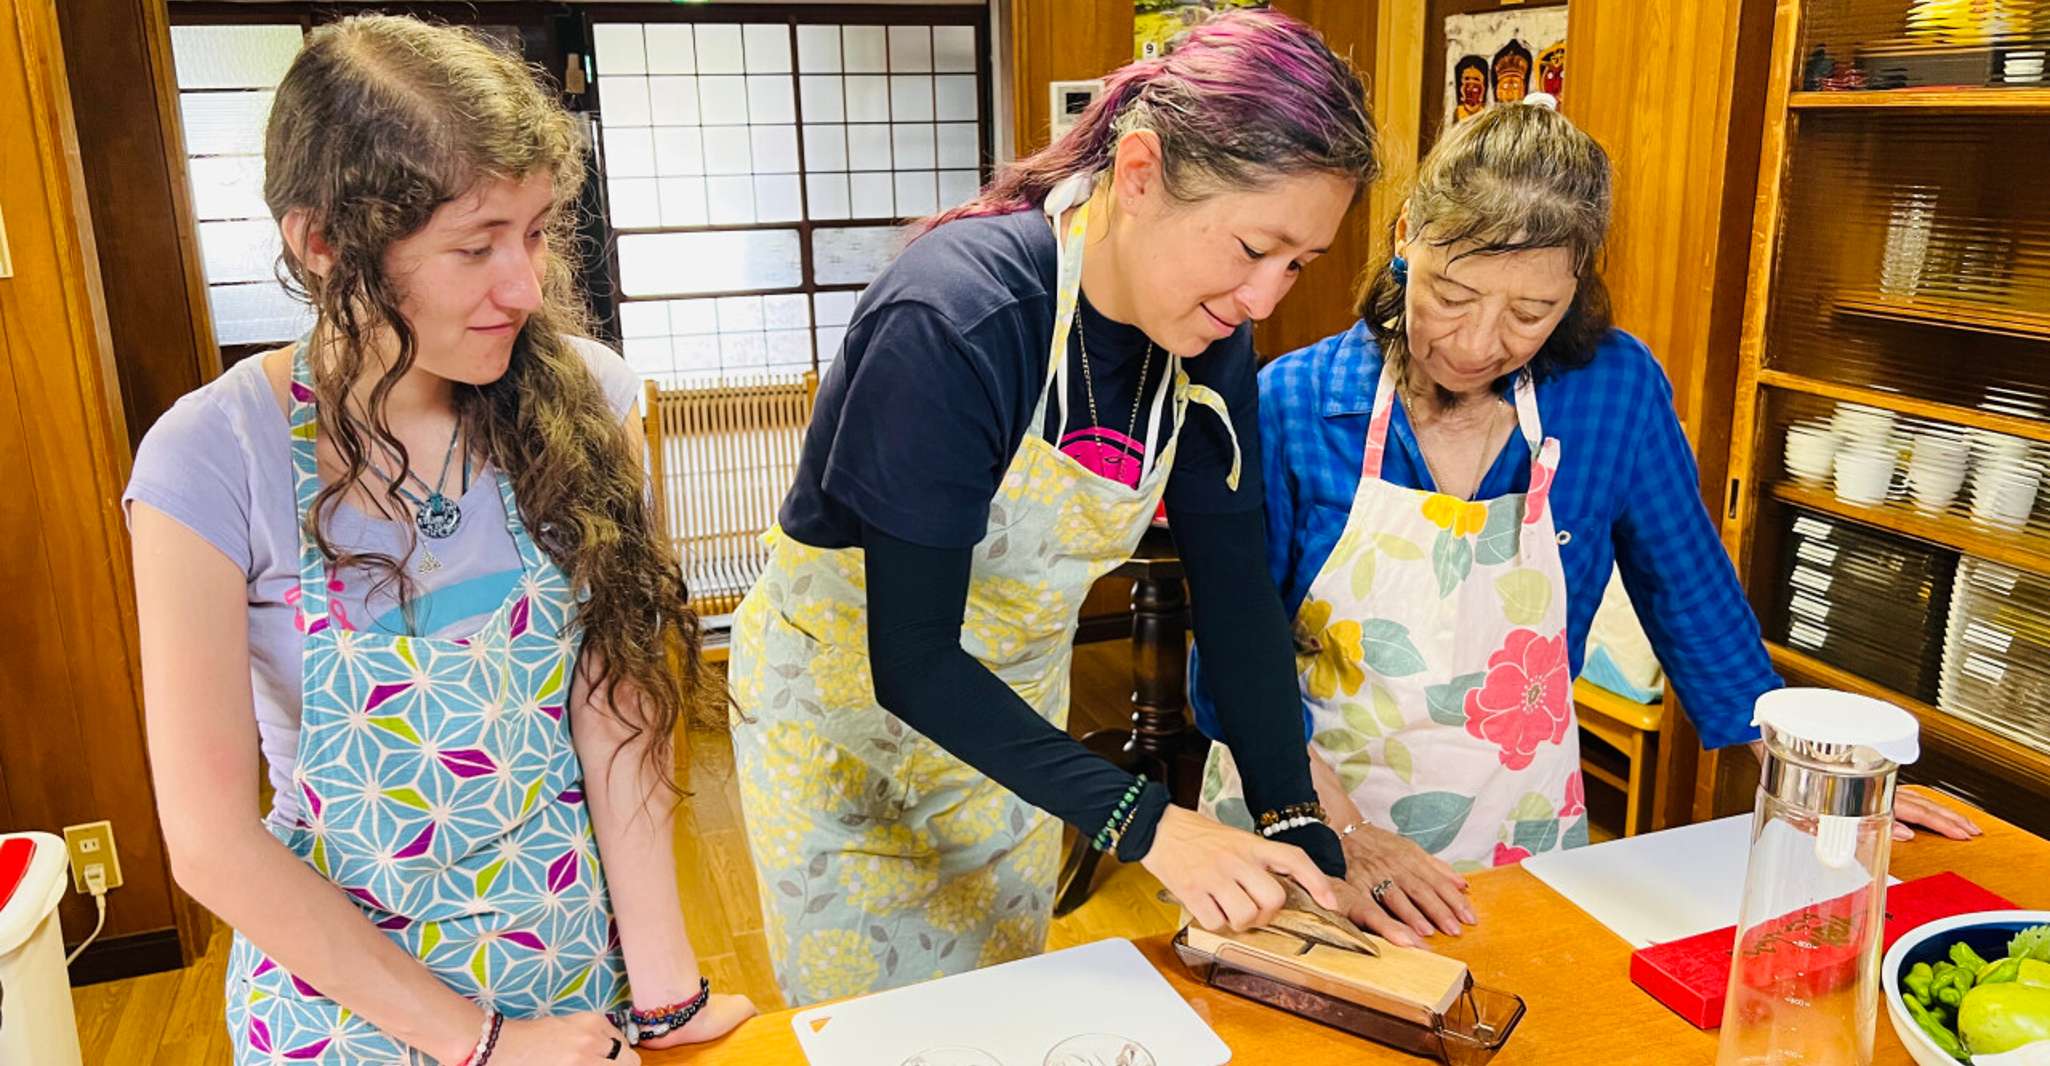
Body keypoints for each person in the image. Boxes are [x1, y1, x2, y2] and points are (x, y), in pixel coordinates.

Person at [1190, 96, 1979, 949]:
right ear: (1405, 237)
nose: (1476, 341)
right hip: (1302, 813)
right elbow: (1236, 657)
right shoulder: (1295, 405)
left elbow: (1692, 592)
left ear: (1577, 288)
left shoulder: (1614, 392)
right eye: (1450, 294)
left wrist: (1820, 778)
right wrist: (1336, 833)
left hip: (1511, 817)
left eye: (1530, 314)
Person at [126, 16, 752, 1064]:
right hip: (345, 1012)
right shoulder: (210, 456)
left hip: (567, 973)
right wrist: (482, 1043)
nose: (524, 287)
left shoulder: (585, 394)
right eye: (474, 246)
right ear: (322, 242)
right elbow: (212, 842)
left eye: (538, 232)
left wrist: (663, 991)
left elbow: (620, 697)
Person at [728, 10, 1381, 1006]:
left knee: (1002, 1006)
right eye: (1254, 246)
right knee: (881, 1029)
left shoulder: (1205, 335)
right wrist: (1151, 821)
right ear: (1139, 173)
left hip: (1011, 738)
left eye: (1297, 264)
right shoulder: (958, 317)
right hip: (847, 730)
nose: (1264, 299)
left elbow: (1235, 589)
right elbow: (910, 659)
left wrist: (1293, 814)